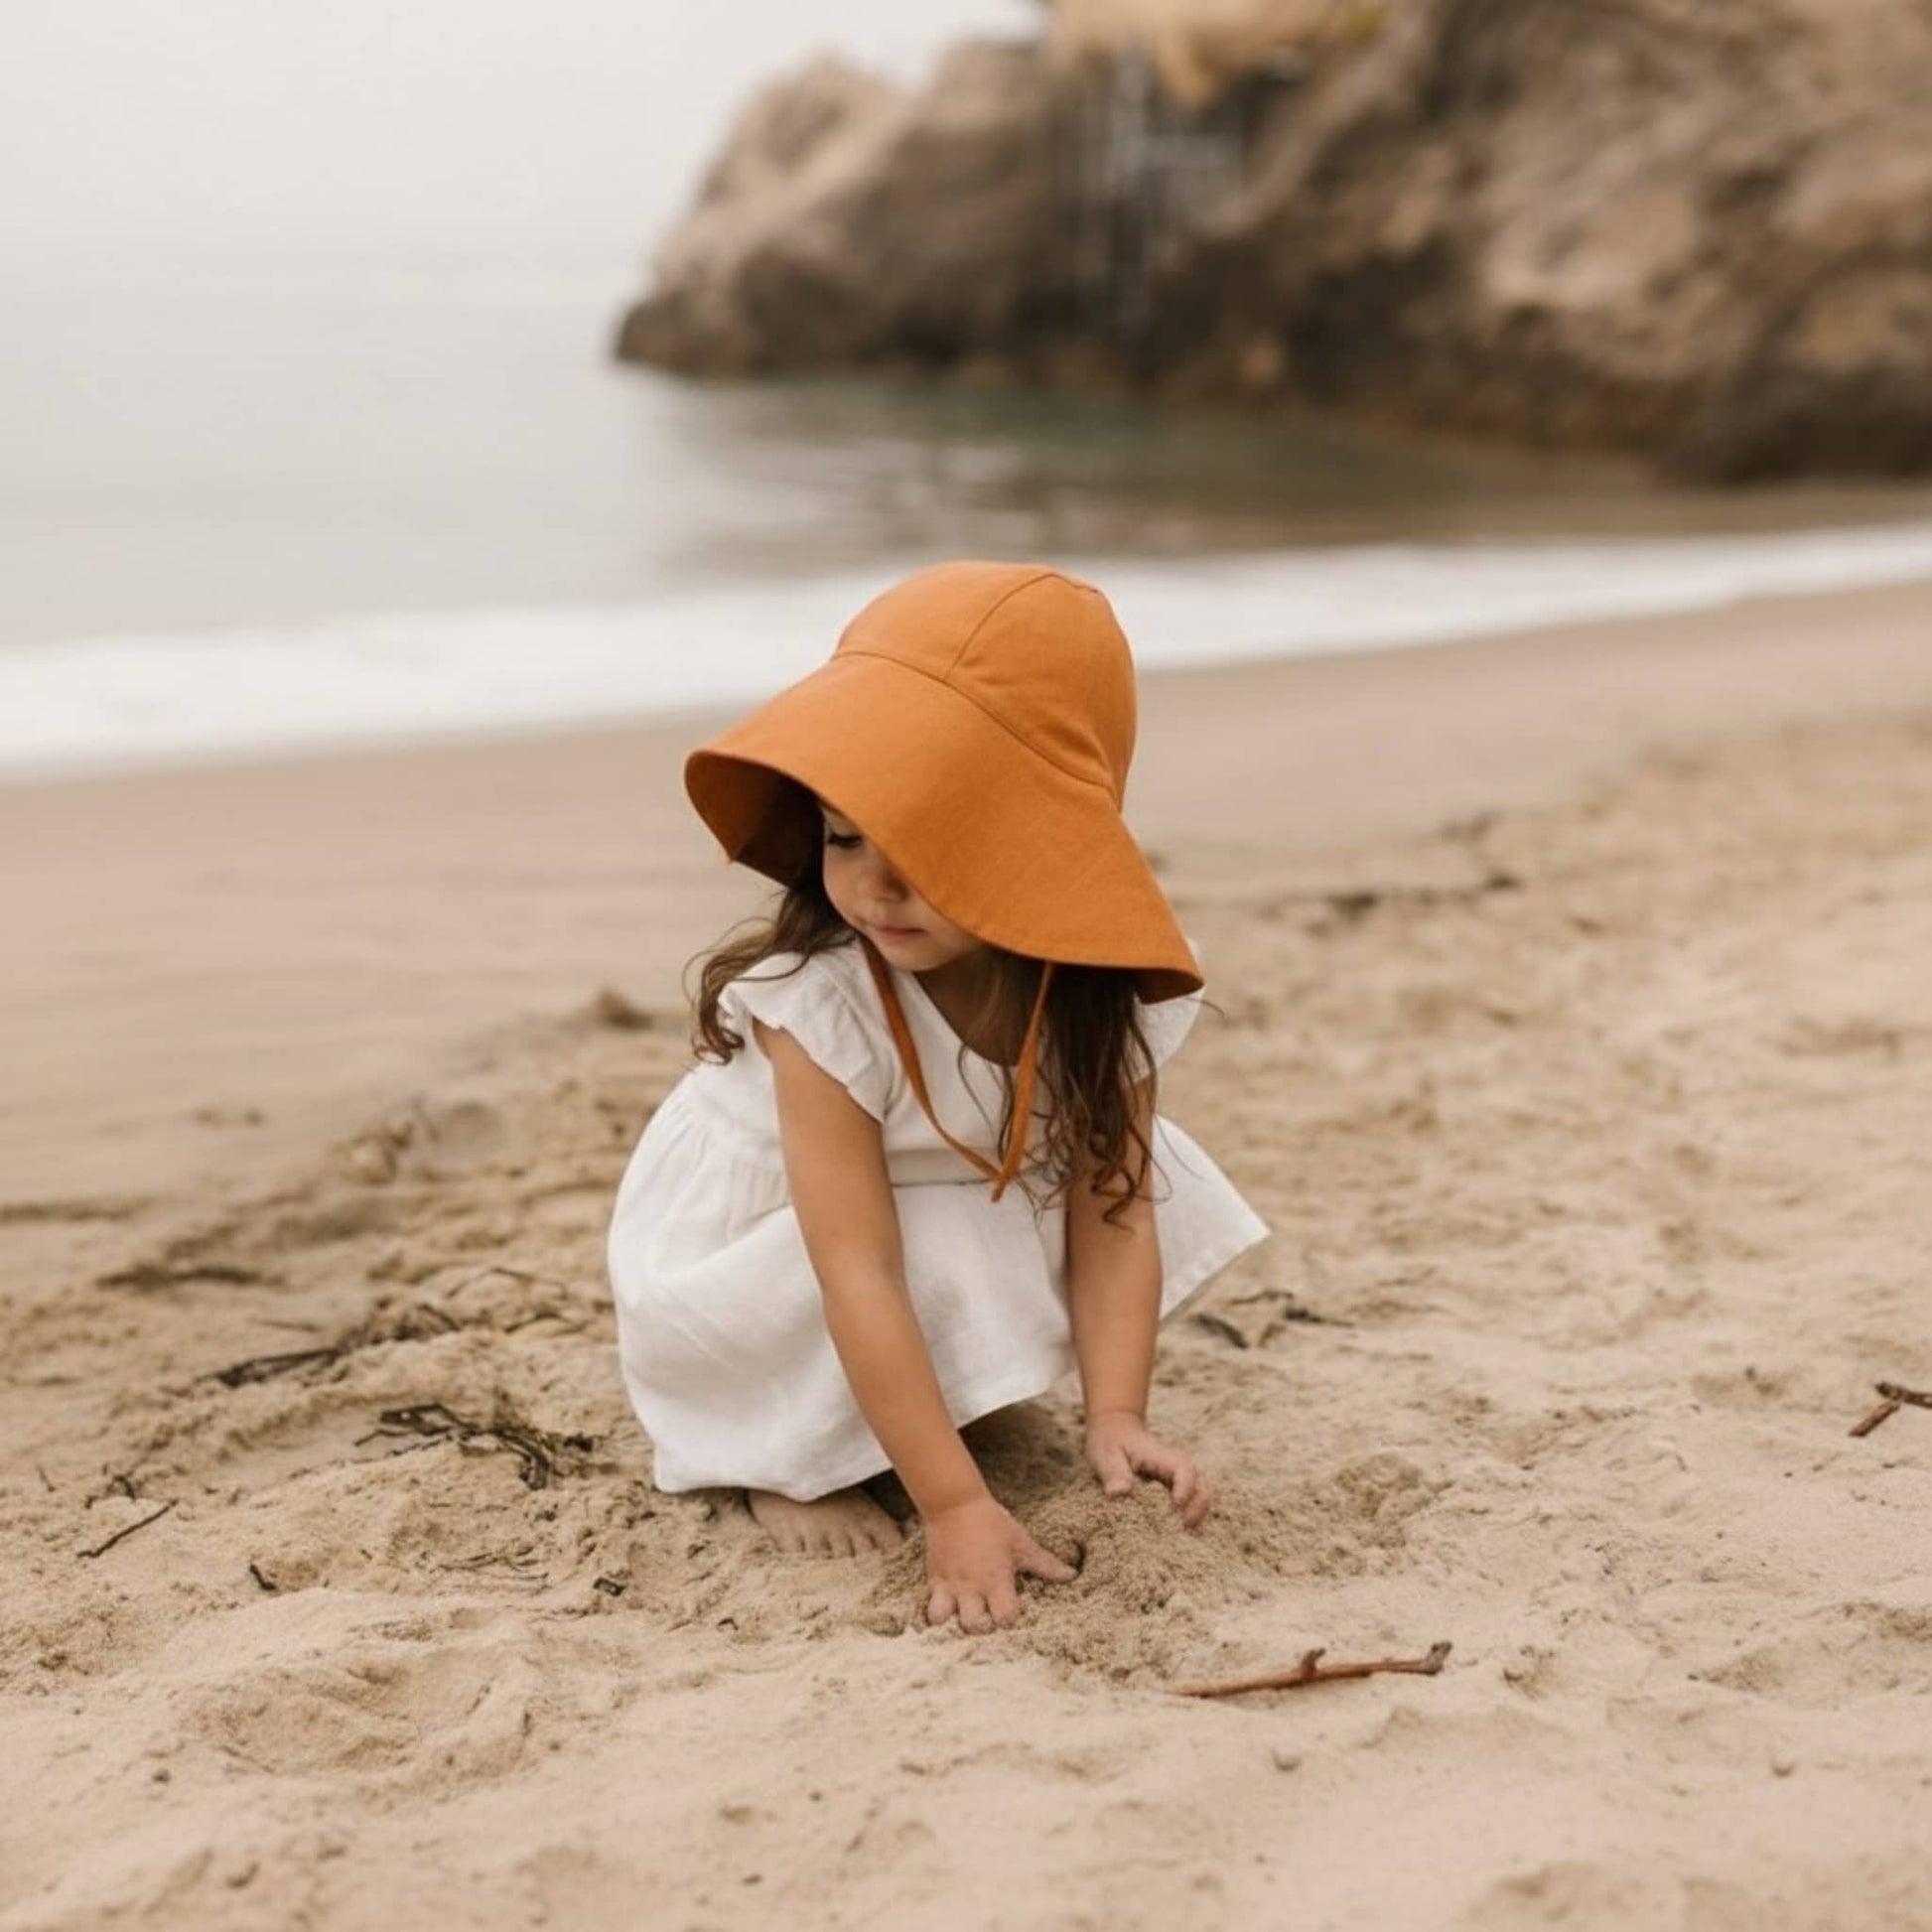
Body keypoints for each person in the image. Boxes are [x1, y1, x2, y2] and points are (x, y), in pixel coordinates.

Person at [607, 560, 1269, 1634]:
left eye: (924, 842)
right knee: (924, 1243)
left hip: (922, 1200)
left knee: (1150, 1172)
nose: (872, 884)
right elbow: (851, 1265)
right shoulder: (818, 1004)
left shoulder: (1098, 991)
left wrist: (1115, 1412)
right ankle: (776, 1452)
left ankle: (912, 1411)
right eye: (840, 835)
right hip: (754, 1261)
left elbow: (1115, 1208)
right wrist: (954, 1502)